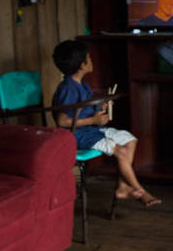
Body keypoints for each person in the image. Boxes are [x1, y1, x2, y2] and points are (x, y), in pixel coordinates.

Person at [52, 40, 161, 207]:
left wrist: (99, 109)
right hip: (78, 135)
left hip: (91, 130)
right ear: (82, 65)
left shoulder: (83, 84)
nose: (92, 60)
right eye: (89, 58)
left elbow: (82, 110)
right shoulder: (68, 88)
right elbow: (62, 121)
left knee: (129, 140)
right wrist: (93, 120)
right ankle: (140, 190)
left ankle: (123, 187)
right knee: (121, 152)